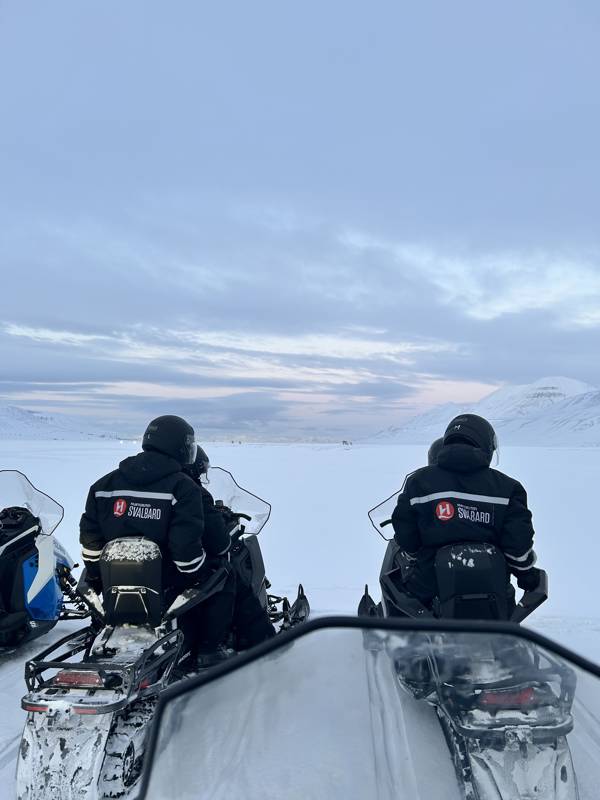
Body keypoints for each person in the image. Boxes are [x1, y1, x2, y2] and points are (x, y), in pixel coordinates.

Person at [79, 415, 236, 663]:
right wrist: (199, 572)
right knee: (223, 573)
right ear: (181, 447)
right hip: (165, 582)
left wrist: (97, 575)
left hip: (114, 582)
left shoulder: (104, 484)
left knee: (91, 575)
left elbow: (90, 541)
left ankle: (98, 628)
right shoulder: (183, 488)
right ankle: (209, 650)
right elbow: (186, 551)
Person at [391, 414, 540, 607]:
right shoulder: (508, 488)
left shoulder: (419, 482)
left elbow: (406, 534)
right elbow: (517, 546)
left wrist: (415, 554)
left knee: (400, 599)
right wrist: (528, 575)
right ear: (486, 445)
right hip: (493, 592)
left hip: (429, 587)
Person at [183, 447, 276, 651]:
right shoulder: (190, 492)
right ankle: (258, 642)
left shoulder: (157, 486)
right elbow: (219, 541)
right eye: (200, 472)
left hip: (152, 572)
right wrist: (221, 521)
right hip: (186, 568)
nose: (201, 476)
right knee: (229, 578)